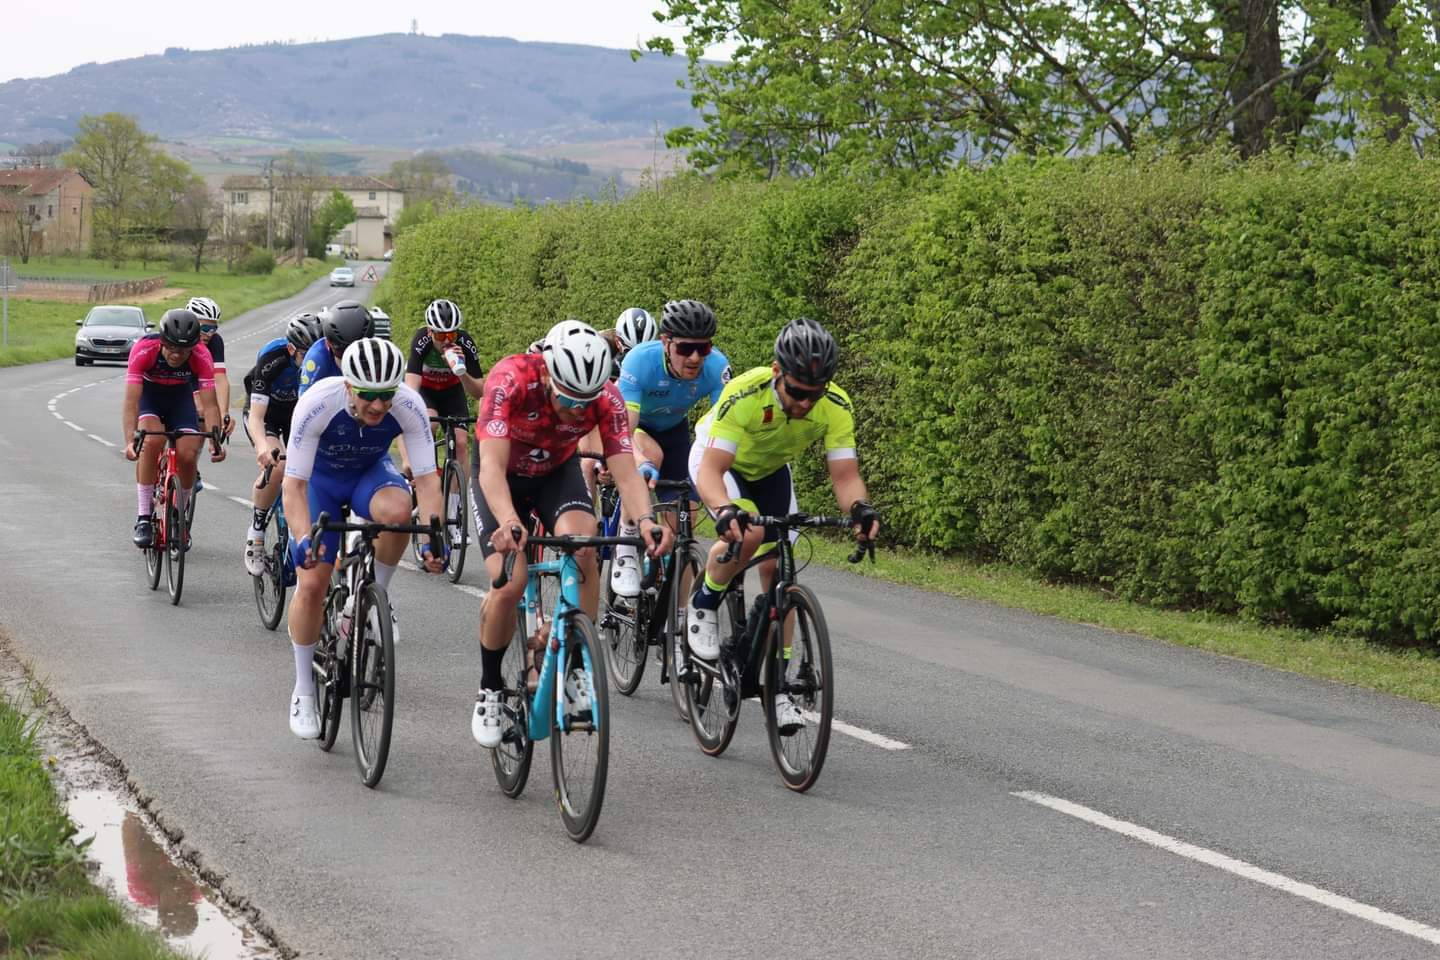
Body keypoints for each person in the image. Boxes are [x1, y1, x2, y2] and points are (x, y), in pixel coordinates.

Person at [468, 320, 673, 748]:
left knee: (585, 545)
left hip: (552, 474)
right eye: (568, 399)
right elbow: (489, 468)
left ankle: (577, 659)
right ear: (547, 373)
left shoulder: (607, 399)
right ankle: (489, 689)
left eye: (587, 401)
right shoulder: (511, 380)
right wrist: (508, 520)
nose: (578, 411)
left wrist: (647, 522)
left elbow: (627, 474)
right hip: (501, 475)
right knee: (511, 582)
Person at [687, 317, 880, 731]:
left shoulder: (836, 405)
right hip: (722, 463)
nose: (806, 403)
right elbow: (711, 471)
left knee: (780, 572)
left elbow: (845, 475)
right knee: (749, 532)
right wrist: (723, 511)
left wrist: (860, 508)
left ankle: (779, 687)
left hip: (771, 469)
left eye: (815, 394)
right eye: (797, 392)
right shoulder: (745, 394)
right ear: (777, 372)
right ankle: (704, 600)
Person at [281, 338, 447, 739]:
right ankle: (304, 687)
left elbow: (426, 479)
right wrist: (305, 540)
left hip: (369, 474)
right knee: (314, 581)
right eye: (369, 396)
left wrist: (433, 537)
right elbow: (294, 486)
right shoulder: (318, 403)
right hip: (320, 483)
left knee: (399, 513)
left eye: (386, 396)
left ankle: (376, 599)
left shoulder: (407, 404)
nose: (378, 406)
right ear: (348, 386)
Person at [610, 298, 730, 598]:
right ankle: (625, 543)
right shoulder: (639, 360)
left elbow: (726, 428)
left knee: (684, 517)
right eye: (685, 348)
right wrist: (637, 462)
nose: (694, 358)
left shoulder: (716, 366)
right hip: (639, 427)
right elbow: (624, 429)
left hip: (675, 431)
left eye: (703, 348)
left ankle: (679, 623)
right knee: (650, 456)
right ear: (665, 342)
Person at [123, 309, 227, 547]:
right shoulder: (143, 349)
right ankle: (144, 517)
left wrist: (215, 441)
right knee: (152, 441)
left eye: (184, 351)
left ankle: (179, 516)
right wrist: (130, 441)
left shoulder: (201, 355)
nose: (177, 355)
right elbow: (130, 402)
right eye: (171, 348)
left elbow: (210, 405)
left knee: (188, 454)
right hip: (150, 396)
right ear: (162, 341)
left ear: (193, 347)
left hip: (180, 398)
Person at [241, 312, 322, 575]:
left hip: (299, 415)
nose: (312, 362)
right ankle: (256, 533)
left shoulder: (325, 360)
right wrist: (262, 446)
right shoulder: (272, 358)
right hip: (268, 415)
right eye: (304, 355)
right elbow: (256, 416)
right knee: (278, 468)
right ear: (291, 349)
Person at [402, 298, 485, 517]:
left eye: (452, 334)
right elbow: (411, 388)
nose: (447, 340)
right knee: (429, 423)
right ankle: (427, 476)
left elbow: (479, 391)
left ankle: (454, 509)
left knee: (459, 443)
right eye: (441, 335)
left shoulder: (465, 343)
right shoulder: (421, 341)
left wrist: (461, 372)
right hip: (426, 391)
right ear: (430, 332)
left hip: (452, 392)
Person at [298, 300, 372, 395]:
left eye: (360, 353)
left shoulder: (379, 351)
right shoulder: (317, 357)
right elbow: (304, 400)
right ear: (327, 344)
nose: (349, 361)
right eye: (342, 352)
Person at [186, 296, 233, 441]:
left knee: (203, 421)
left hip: (198, 380)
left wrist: (224, 413)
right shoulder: (180, 338)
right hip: (173, 379)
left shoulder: (215, 341)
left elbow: (219, 379)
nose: (210, 334)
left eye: (214, 329)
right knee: (154, 439)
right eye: (205, 328)